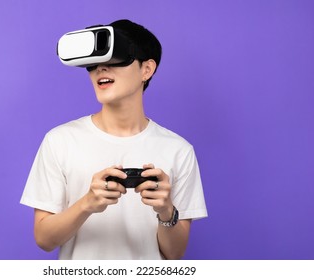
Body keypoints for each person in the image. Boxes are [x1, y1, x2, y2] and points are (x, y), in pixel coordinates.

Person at [20, 19, 207, 260]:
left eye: (115, 58)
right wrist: (87, 204)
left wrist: (165, 210)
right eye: (94, 63)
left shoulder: (178, 150)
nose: (101, 69)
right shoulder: (60, 141)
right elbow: (44, 239)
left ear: (147, 70)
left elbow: (175, 254)